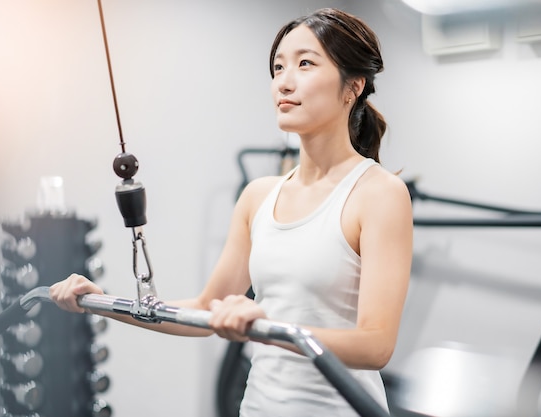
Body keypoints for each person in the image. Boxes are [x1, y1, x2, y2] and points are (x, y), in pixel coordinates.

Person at [50, 7, 413, 416]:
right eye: (278, 67)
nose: (284, 82)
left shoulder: (380, 193)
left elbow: (376, 344)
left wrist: (265, 329)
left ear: (352, 88)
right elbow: (207, 308)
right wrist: (103, 302)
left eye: (305, 64)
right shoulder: (258, 197)